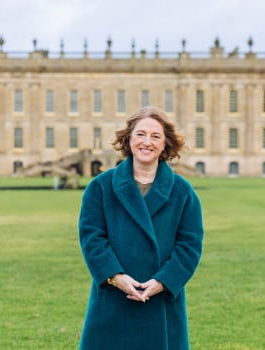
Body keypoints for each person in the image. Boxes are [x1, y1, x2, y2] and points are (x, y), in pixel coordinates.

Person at [78, 106, 204, 350]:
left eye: (156, 136)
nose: (147, 142)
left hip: (161, 299)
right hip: (114, 297)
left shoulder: (183, 191)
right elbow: (92, 238)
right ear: (128, 139)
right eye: (140, 134)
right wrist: (114, 276)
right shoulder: (100, 186)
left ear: (165, 143)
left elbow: (189, 246)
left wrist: (164, 281)